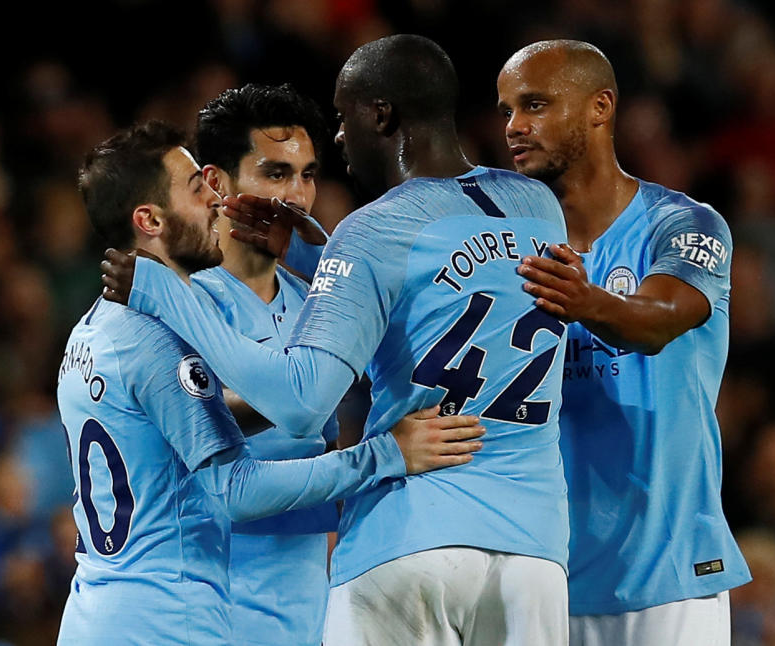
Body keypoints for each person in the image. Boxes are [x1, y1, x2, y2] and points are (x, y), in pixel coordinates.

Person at [103, 35, 572, 645]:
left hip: (411, 535)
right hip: (534, 551)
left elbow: (303, 400)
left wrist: (161, 290)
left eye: (344, 118)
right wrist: (310, 252)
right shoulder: (537, 206)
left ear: (381, 114)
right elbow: (447, 285)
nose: (342, 137)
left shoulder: (371, 231)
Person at [58, 120, 484, 645]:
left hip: (96, 610)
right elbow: (235, 489)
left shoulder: (93, 330)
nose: (218, 203)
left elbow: (170, 430)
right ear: (149, 219)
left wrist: (311, 386)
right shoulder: (159, 338)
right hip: (168, 619)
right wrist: (385, 455)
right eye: (199, 192)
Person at [497, 40, 751, 645]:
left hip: (669, 574)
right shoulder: (503, 247)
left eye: (534, 105)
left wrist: (587, 302)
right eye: (506, 110)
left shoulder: (684, 224)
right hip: (541, 573)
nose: (515, 127)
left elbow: (663, 316)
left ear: (599, 107)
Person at [192, 83, 340, 646]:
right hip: (209, 594)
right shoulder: (180, 301)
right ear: (217, 183)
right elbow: (192, 424)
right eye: (275, 174)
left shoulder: (319, 304)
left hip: (303, 601)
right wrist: (308, 387)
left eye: (306, 175)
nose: (297, 197)